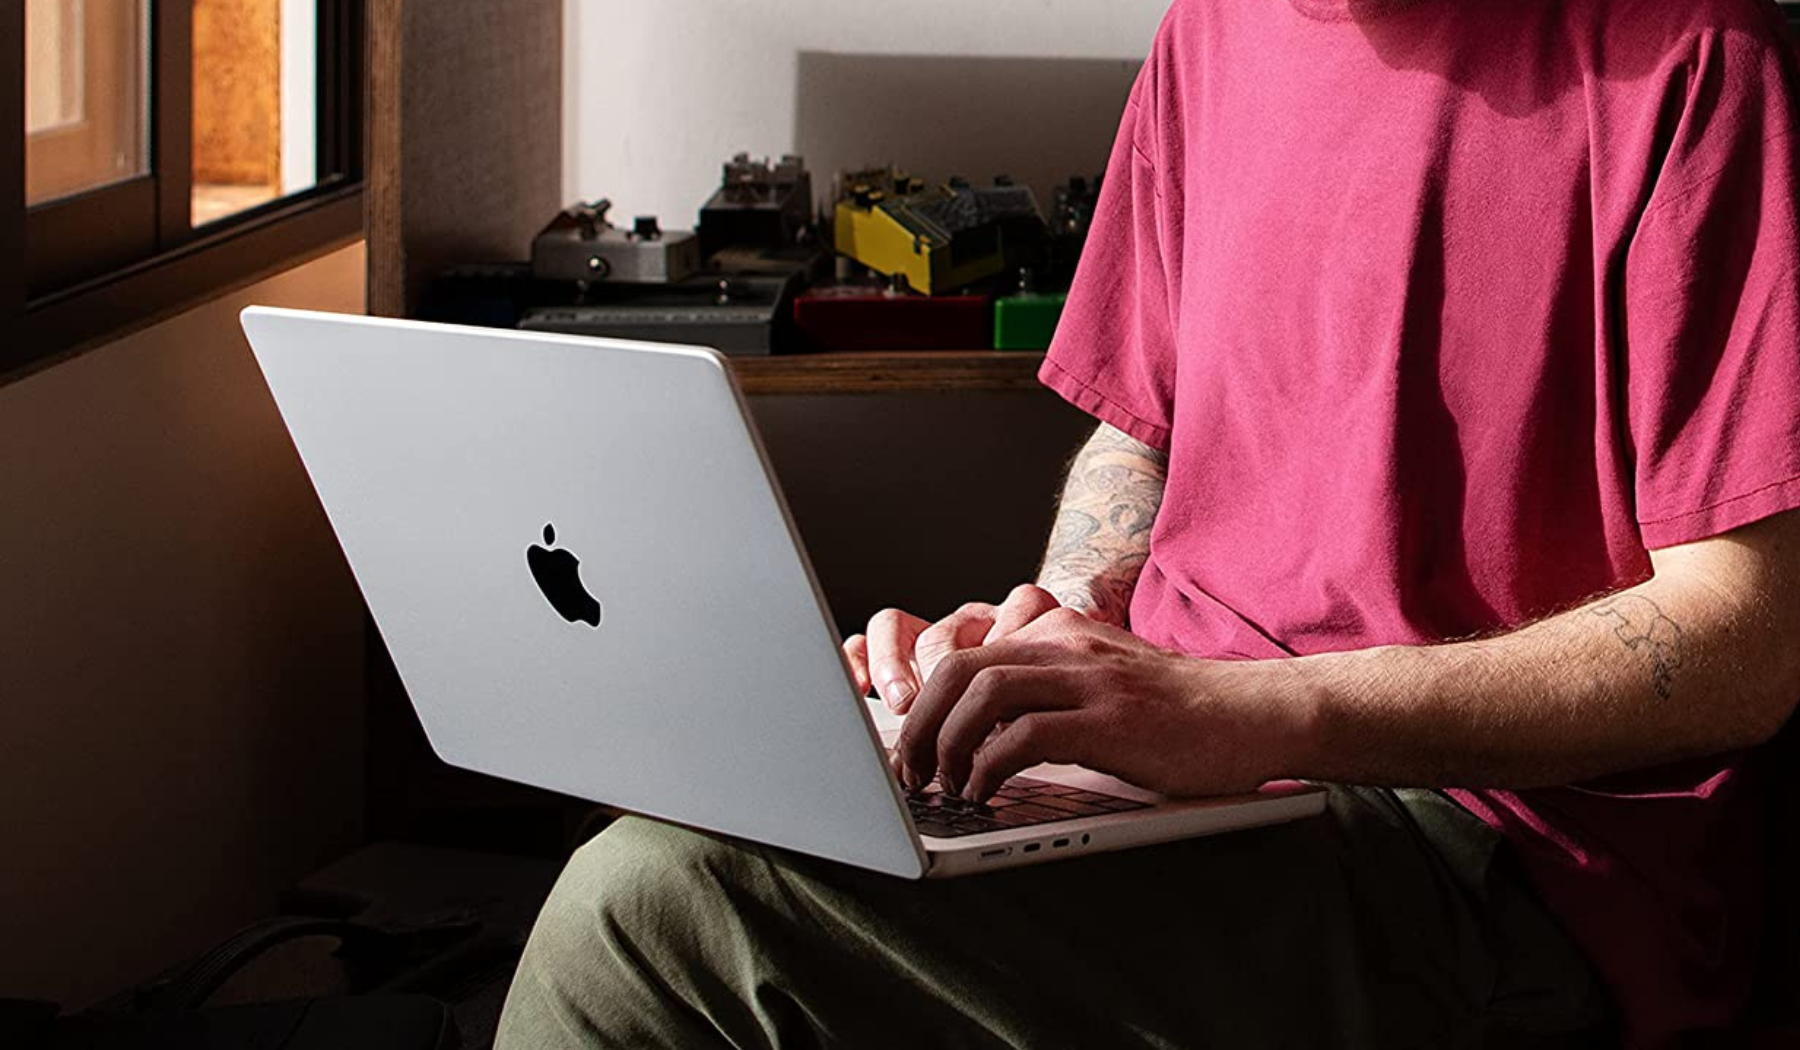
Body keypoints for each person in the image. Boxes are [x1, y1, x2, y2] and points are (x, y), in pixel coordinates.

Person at [495, 0, 1800, 1045]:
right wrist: (1050, 627)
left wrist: (1242, 714)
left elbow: (1744, 639)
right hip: (1179, 750)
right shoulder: (1210, 33)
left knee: (648, 909)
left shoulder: (1693, 56)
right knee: (725, 822)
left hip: (1490, 852)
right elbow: (1140, 428)